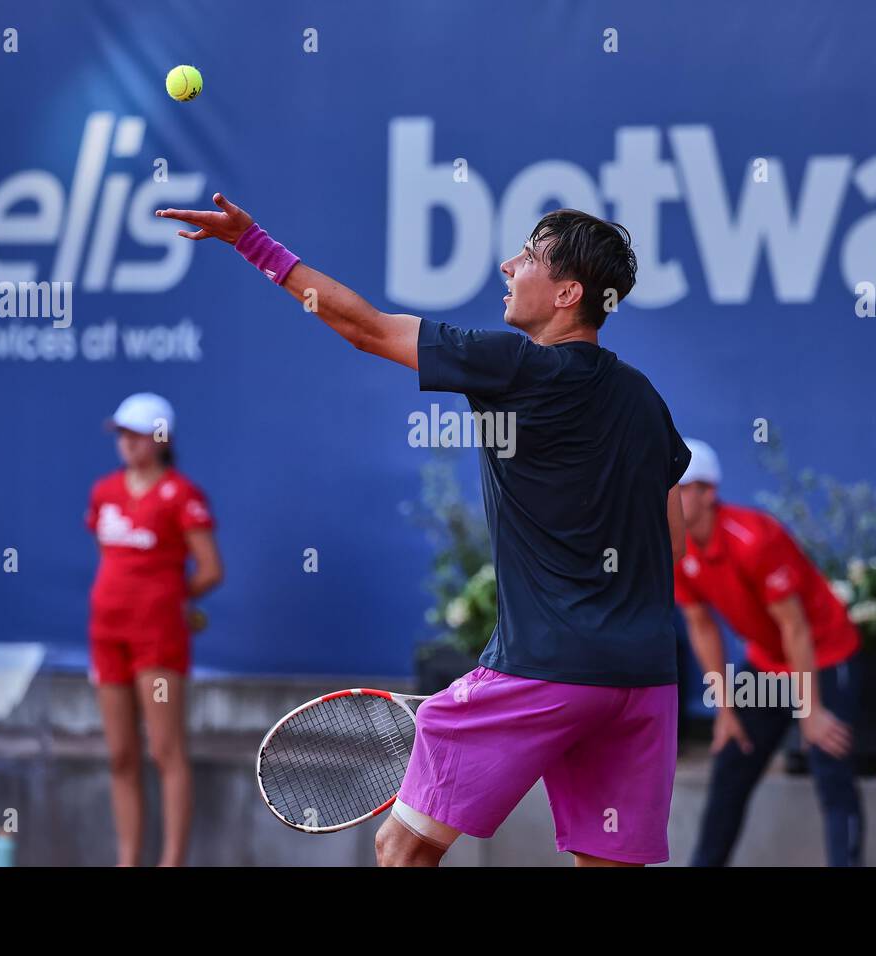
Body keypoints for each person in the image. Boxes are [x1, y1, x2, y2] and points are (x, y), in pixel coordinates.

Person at [156, 195, 690, 866]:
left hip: (543, 669)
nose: (507, 264)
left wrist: (252, 243)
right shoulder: (645, 399)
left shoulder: (516, 368)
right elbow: (673, 539)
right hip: (642, 681)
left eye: (527, 255)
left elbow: (367, 329)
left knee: (402, 849)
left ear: (567, 292)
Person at [672, 439, 863, 866]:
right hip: (766, 663)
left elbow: (795, 627)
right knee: (729, 765)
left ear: (707, 492)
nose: (665, 497)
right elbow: (701, 626)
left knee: (829, 767)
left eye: (678, 487)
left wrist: (809, 709)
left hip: (826, 654)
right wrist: (724, 709)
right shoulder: (674, 546)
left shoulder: (754, 539)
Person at [85, 392, 223, 866]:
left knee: (166, 750)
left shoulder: (181, 495)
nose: (125, 443)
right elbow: (111, 559)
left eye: (135, 434)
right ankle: (128, 859)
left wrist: (171, 600)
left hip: (158, 640)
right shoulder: (104, 492)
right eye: (121, 434)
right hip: (107, 635)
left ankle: (171, 861)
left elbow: (209, 568)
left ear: (160, 438)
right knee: (121, 755)